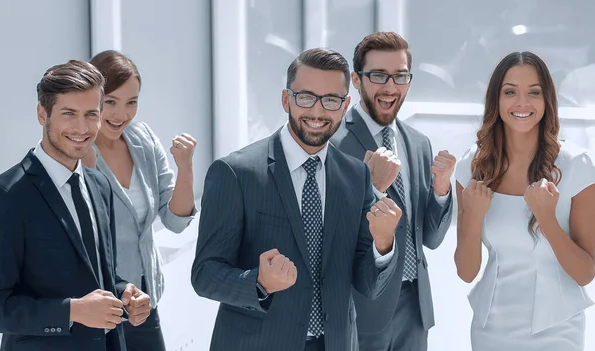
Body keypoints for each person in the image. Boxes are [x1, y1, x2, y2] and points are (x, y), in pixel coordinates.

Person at [191, 48, 401, 351]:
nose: (317, 111)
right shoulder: (235, 173)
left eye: (330, 100)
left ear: (345, 106)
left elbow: (368, 284)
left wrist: (382, 244)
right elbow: (204, 275)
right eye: (306, 97)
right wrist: (259, 283)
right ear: (286, 99)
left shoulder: (356, 176)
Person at [0, 60, 152, 351]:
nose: (82, 128)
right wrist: (72, 311)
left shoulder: (99, 185)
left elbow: (99, 274)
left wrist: (125, 293)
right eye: (69, 114)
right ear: (43, 114)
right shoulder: (6, 195)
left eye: (91, 114)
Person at [454, 51, 595, 351]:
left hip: (557, 329)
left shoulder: (577, 165)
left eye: (534, 92)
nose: (522, 103)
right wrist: (473, 216)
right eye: (510, 92)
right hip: (490, 328)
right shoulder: (472, 167)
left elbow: (585, 272)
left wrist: (547, 219)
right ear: (496, 100)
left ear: (547, 101)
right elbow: (466, 272)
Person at [331, 32, 455, 351]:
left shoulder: (418, 143)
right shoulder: (334, 144)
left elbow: (430, 237)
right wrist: (372, 189)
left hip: (415, 308)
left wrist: (441, 191)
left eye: (400, 76)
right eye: (378, 75)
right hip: (362, 308)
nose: (390, 87)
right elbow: (328, 234)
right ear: (357, 81)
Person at [84, 50, 197, 351]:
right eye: (110, 102)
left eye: (131, 103)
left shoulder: (143, 138)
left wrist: (185, 168)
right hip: (95, 298)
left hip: (143, 299)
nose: (122, 114)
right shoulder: (77, 149)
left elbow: (175, 221)